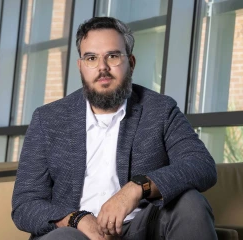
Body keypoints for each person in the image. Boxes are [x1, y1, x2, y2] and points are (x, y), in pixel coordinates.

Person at [12, 17, 217, 240]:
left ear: (131, 62)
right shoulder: (48, 119)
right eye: (91, 58)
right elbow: (25, 205)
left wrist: (137, 188)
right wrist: (77, 219)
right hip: (75, 233)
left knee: (190, 204)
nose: (103, 67)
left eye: (113, 56)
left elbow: (201, 165)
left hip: (141, 228)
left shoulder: (160, 110)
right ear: (80, 66)